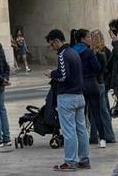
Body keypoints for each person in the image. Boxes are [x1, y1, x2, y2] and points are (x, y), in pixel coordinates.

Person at [46, 29, 89, 171]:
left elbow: (63, 76)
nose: (52, 48)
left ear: (57, 41)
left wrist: (51, 73)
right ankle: (84, 159)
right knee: (81, 129)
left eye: (52, 45)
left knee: (69, 131)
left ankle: (70, 162)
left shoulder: (63, 54)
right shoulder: (74, 52)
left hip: (67, 97)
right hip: (79, 95)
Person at [71, 29, 105, 150]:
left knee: (80, 114)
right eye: (88, 37)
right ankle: (102, 138)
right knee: (96, 112)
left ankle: (82, 138)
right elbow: (97, 67)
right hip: (91, 83)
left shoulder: (72, 51)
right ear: (83, 39)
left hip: (79, 85)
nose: (90, 39)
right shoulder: (89, 52)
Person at [88, 29, 116, 146]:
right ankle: (108, 134)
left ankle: (95, 136)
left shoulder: (93, 53)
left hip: (96, 83)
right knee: (104, 110)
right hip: (103, 83)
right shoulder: (106, 51)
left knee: (94, 111)